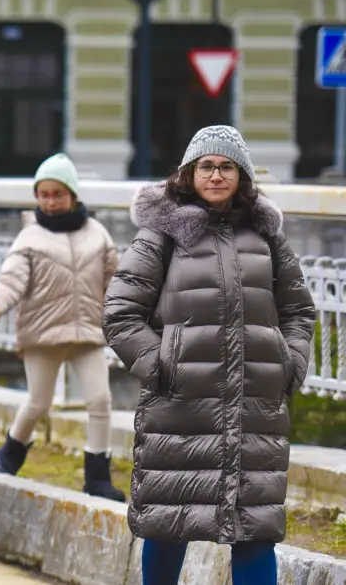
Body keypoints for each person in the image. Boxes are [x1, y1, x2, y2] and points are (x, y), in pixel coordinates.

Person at [103, 126, 315, 585]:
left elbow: (299, 310)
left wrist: (290, 364)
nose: (216, 175)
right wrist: (160, 366)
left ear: (241, 176)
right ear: (189, 172)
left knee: (255, 529)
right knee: (169, 520)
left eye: (226, 167)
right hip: (180, 406)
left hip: (255, 409)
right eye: (206, 166)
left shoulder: (267, 236)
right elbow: (120, 313)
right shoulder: (161, 234)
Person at [0, 153, 126, 502]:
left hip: (87, 333)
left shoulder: (97, 233)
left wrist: (138, 306)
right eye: (43, 194)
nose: (51, 201)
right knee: (39, 404)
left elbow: (116, 281)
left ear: (72, 195)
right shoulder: (29, 239)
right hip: (42, 335)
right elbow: (11, 282)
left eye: (58, 194)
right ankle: (9, 456)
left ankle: (97, 477)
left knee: (100, 400)